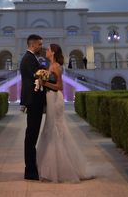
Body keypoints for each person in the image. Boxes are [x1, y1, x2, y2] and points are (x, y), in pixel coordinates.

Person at [35, 43, 94, 183]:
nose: (46, 51)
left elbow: (60, 86)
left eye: (48, 50)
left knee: (55, 128)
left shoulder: (55, 66)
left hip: (55, 99)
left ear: (53, 52)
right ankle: (51, 166)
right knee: (51, 128)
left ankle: (60, 168)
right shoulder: (51, 65)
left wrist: (44, 83)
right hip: (51, 98)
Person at [19, 34, 46, 181]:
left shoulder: (31, 58)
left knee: (32, 135)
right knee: (31, 136)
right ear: (33, 44)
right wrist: (47, 75)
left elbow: (38, 76)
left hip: (35, 101)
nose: (41, 47)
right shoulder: (28, 59)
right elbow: (36, 78)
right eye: (40, 44)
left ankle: (31, 167)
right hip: (33, 101)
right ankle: (30, 170)